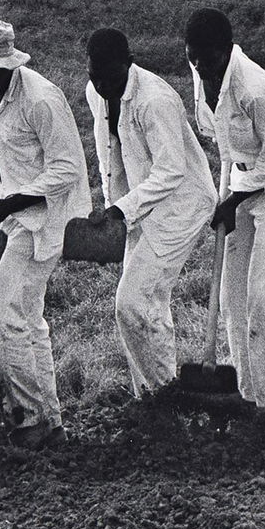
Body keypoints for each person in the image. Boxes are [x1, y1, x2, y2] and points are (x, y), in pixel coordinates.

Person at [0, 17, 90, 447]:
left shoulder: (41, 99)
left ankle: (30, 420)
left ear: (9, 65)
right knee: (28, 321)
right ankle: (50, 423)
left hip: (43, 223)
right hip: (12, 217)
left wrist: (10, 203)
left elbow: (68, 167)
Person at [184, 8, 265, 407]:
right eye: (193, 56)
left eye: (207, 58)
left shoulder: (257, 90)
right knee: (231, 297)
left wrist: (235, 199)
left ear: (226, 50)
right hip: (242, 178)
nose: (199, 66)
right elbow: (222, 140)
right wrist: (231, 193)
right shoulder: (203, 70)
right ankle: (250, 397)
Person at [82, 27, 217, 397]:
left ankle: (163, 396)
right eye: (95, 77)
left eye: (111, 78)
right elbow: (109, 156)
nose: (103, 87)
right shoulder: (97, 92)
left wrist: (121, 211)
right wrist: (113, 212)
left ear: (129, 63)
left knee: (133, 301)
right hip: (138, 205)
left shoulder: (155, 100)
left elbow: (171, 171)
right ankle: (150, 396)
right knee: (142, 303)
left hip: (182, 205)